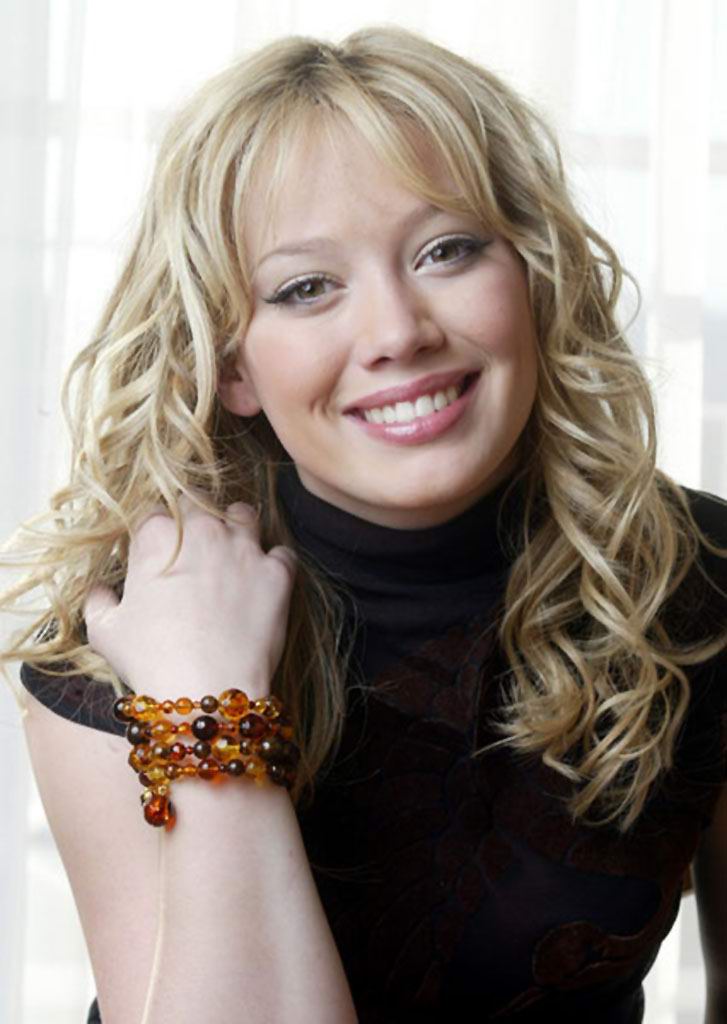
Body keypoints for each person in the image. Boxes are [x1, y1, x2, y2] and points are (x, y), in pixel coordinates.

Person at [1, 23, 726, 1024]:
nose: (397, 332)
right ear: (233, 366)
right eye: (306, 288)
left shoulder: (698, 582)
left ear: (533, 275)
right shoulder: (118, 636)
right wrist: (208, 701)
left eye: (445, 250)